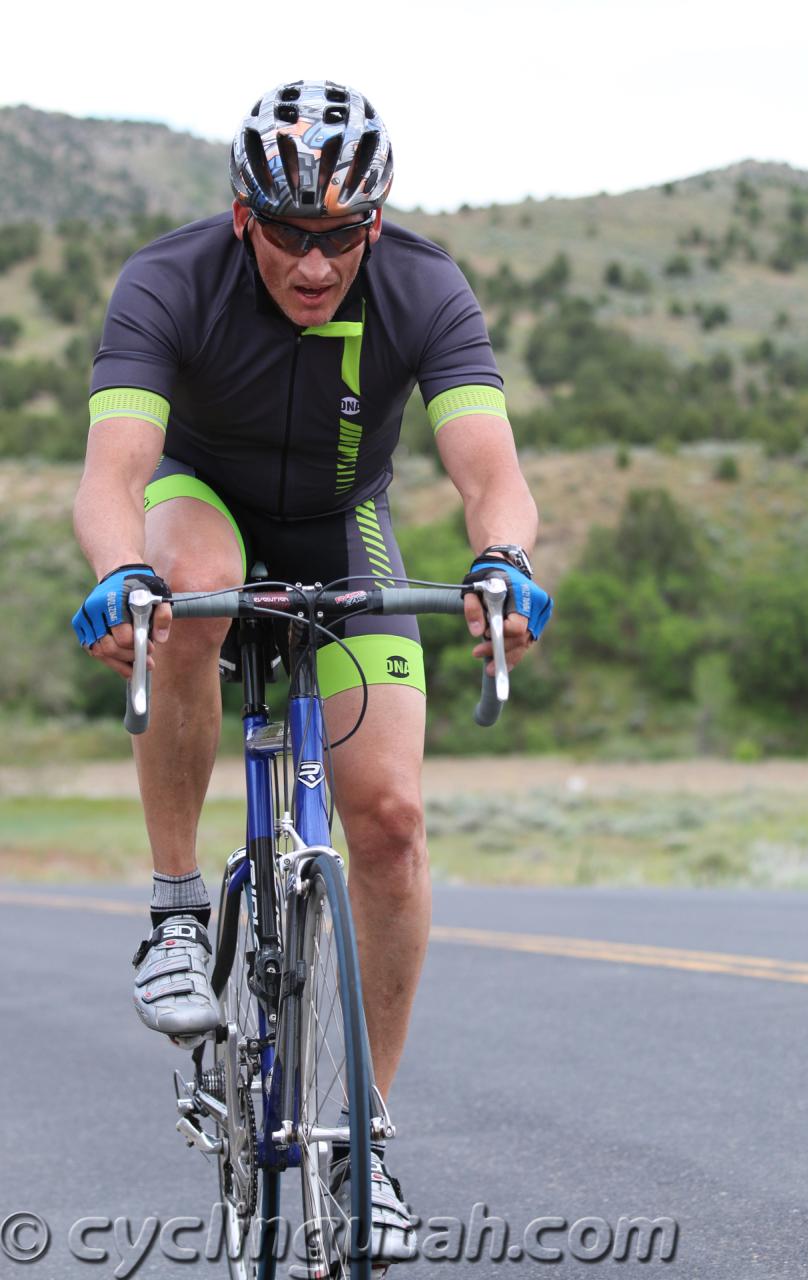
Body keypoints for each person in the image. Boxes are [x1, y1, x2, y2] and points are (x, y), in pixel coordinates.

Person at [71, 78, 552, 1260]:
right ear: (243, 216)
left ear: (375, 219)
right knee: (187, 598)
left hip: (344, 523)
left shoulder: (426, 285)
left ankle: (366, 1139)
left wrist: (504, 559)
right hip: (202, 506)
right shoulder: (168, 279)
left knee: (387, 822)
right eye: (288, 232)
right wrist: (120, 570)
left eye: (341, 234)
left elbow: (488, 465)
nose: (314, 262)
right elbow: (112, 472)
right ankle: (180, 911)